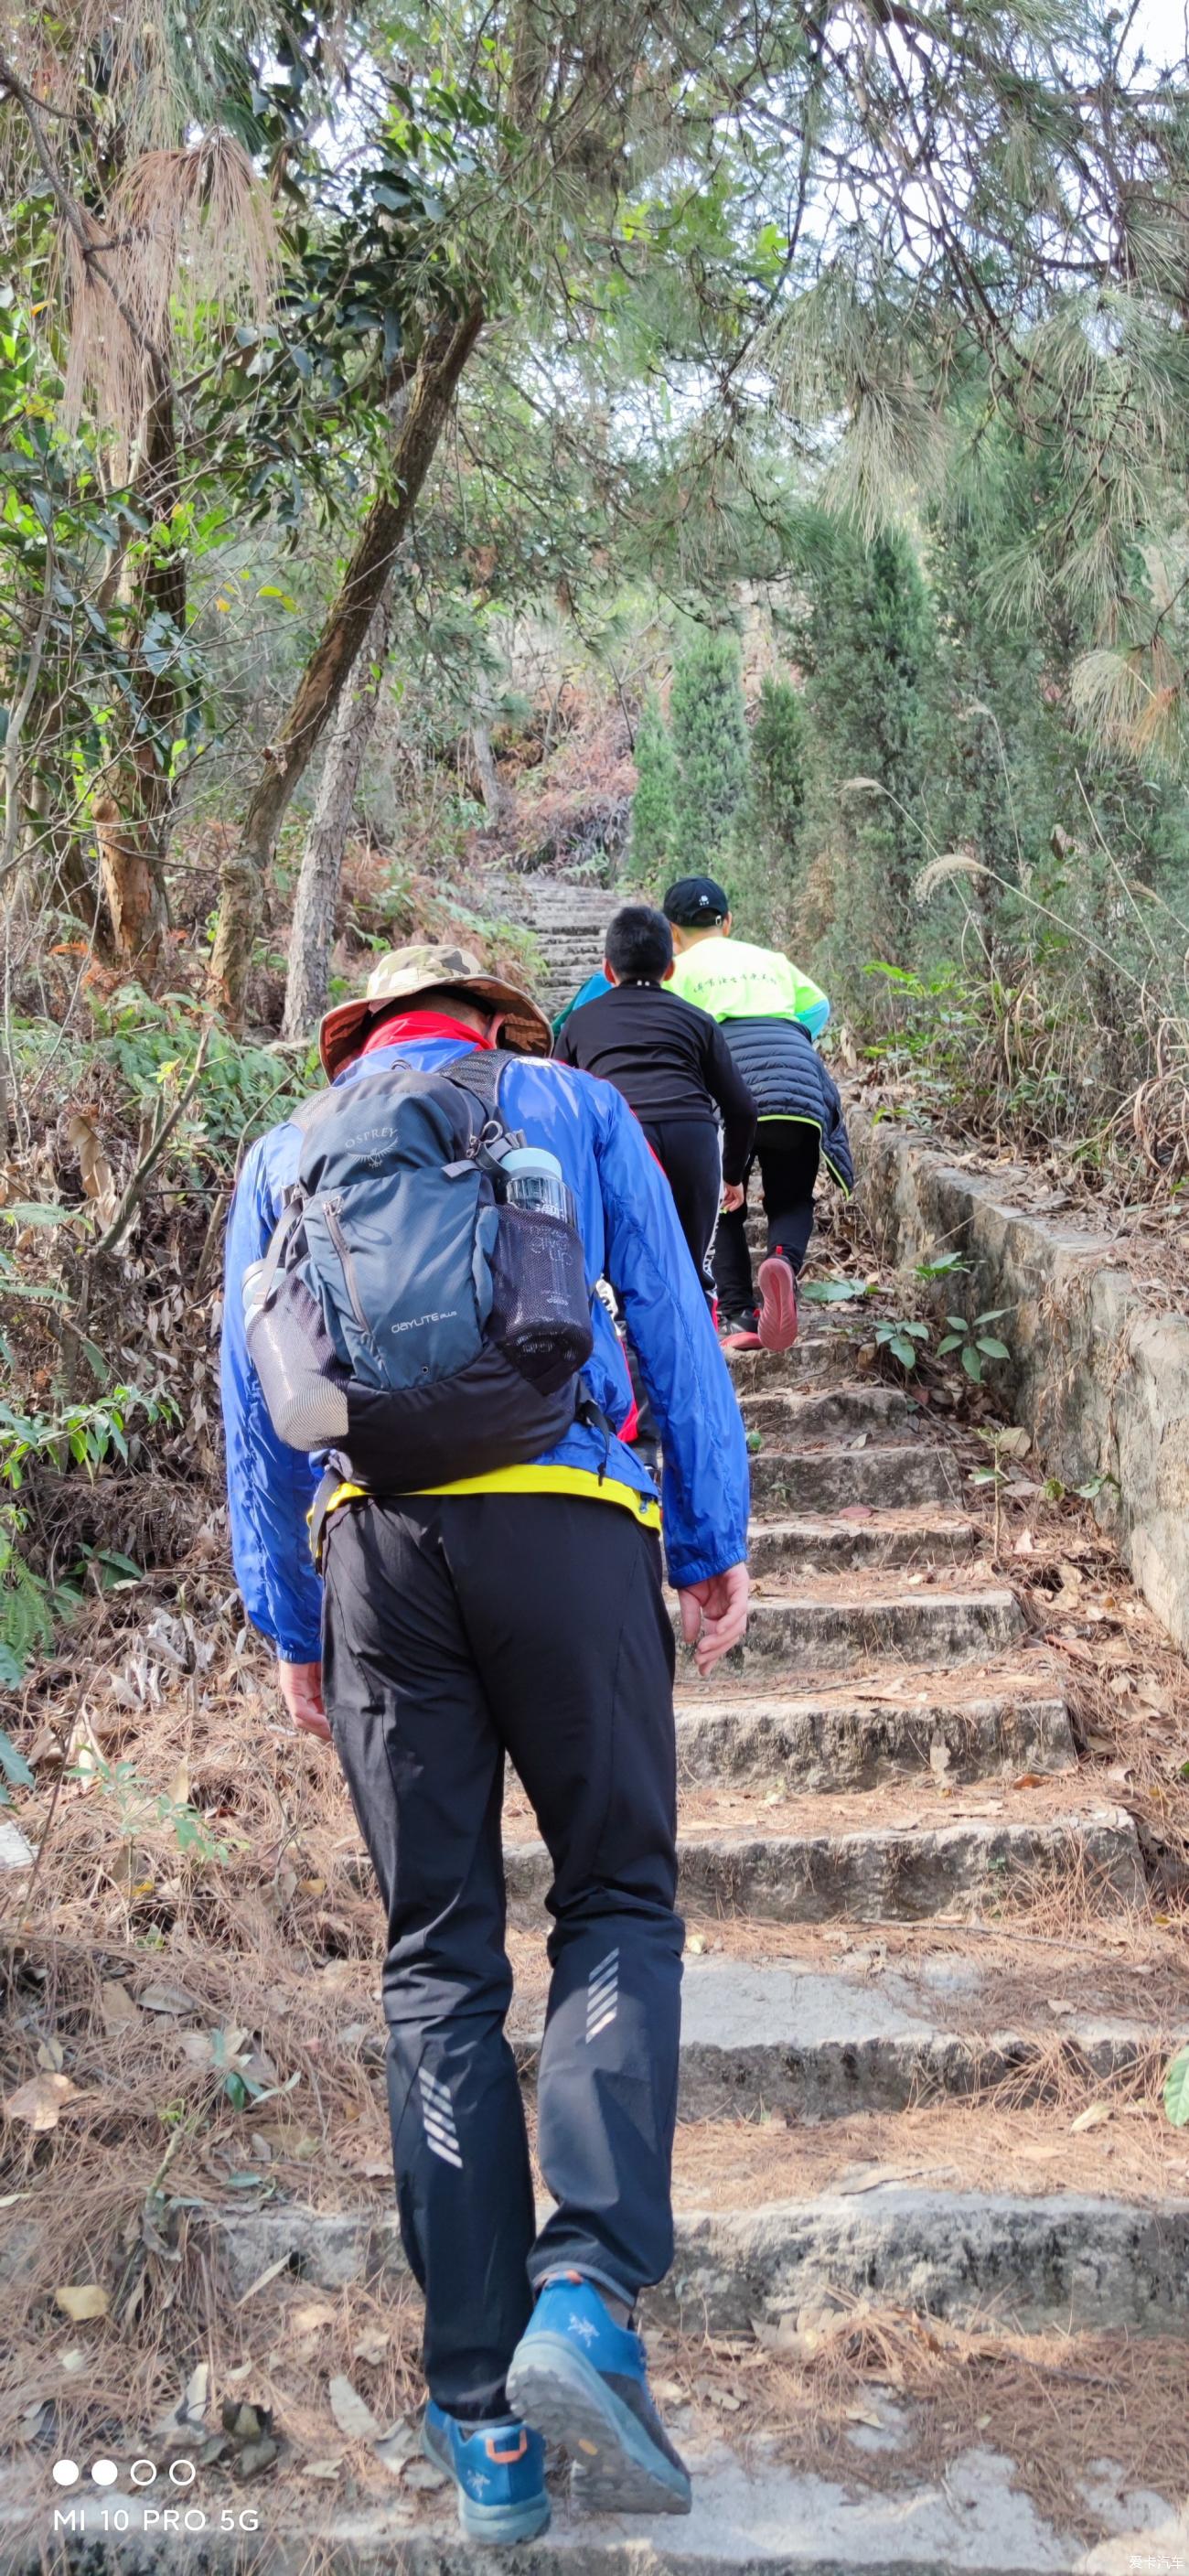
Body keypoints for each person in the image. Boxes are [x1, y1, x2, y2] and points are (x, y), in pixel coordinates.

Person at [221, 941, 751, 2546]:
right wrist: (708, 1535)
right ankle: (586, 2284)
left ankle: (480, 2421)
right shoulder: (576, 1108)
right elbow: (663, 1311)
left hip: (377, 1555)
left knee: (437, 1958)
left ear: (364, 1036)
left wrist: (291, 1621)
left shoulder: (286, 1152)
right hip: (574, 1520)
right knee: (613, 1898)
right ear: (496, 1020)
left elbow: (252, 1403)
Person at [663, 876, 853, 1354]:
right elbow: (818, 1006)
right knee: (791, 1196)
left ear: (671, 931)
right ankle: (783, 1263)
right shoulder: (771, 961)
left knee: (724, 1200)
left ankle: (737, 1316)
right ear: (727, 922)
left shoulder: (675, 970)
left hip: (730, 1079)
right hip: (798, 1074)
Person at [552, 902, 756, 1300]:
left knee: (624, 1274)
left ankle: (629, 1353)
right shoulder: (698, 1020)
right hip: (692, 1138)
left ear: (608, 969)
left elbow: (555, 1100)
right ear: (670, 969)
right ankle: (699, 1353)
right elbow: (743, 1108)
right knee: (687, 1273)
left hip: (623, 1138)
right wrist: (732, 1174)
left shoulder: (580, 1022)